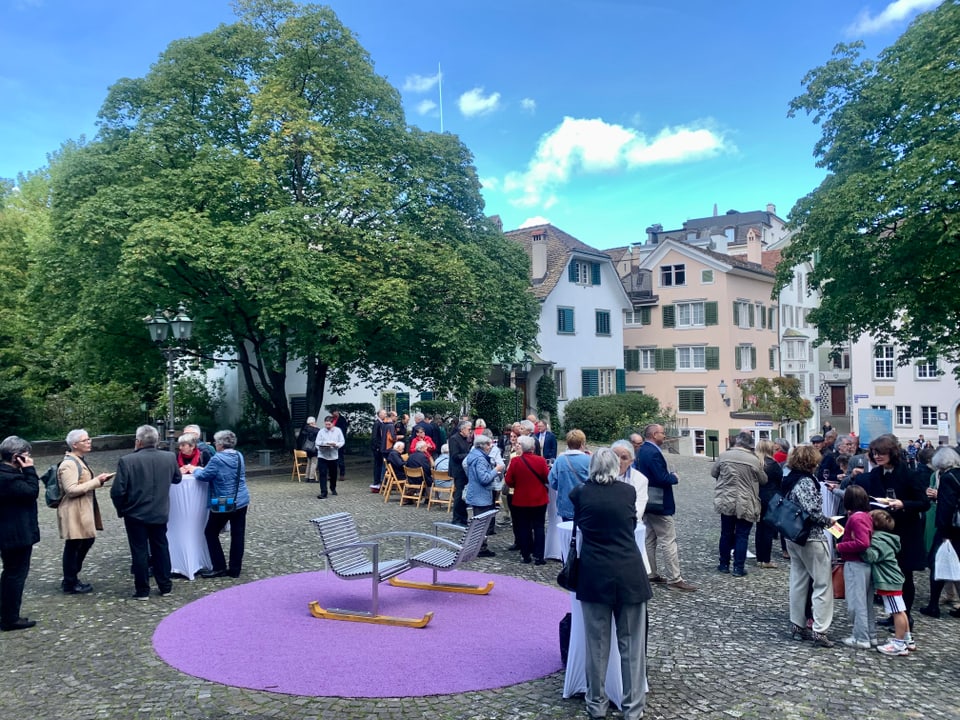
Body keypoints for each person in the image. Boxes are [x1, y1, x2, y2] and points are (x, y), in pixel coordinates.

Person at [570, 448, 651, 720]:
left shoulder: (580, 493)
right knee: (632, 645)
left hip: (594, 573)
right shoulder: (627, 493)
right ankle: (633, 707)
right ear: (617, 468)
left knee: (597, 645)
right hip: (628, 572)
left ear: (591, 467)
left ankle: (596, 704)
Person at [853, 433, 929, 624]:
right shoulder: (875, 474)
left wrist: (903, 504)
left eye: (881, 453)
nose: (877, 456)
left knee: (904, 574)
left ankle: (906, 616)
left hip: (906, 530)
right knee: (887, 574)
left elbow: (924, 503)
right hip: (883, 530)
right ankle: (893, 614)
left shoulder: (910, 475)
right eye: (874, 453)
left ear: (892, 453)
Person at [110, 425, 182, 599]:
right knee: (161, 548)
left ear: (138, 441)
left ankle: (142, 590)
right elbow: (177, 478)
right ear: (157, 440)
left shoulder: (127, 460)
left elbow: (117, 491)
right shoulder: (169, 457)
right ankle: (165, 586)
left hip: (135, 514)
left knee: (139, 551)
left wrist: (122, 509)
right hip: (159, 511)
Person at [782, 443, 834, 646]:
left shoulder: (789, 478)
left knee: (798, 580)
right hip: (810, 536)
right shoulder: (805, 481)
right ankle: (820, 630)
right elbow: (812, 510)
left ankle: (797, 625)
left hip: (792, 535)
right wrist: (829, 521)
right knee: (822, 583)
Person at [634, 423, 696, 592]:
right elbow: (661, 478)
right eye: (662, 433)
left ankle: (650, 572)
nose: (665, 435)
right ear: (654, 434)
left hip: (647, 500)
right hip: (659, 502)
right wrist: (674, 477)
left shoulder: (641, 450)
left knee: (649, 539)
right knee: (668, 540)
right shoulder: (653, 452)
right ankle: (675, 578)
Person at [189, 430, 249, 579]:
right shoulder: (239, 456)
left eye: (216, 442)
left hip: (224, 501)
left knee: (210, 532)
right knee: (238, 534)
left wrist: (194, 469)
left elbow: (204, 476)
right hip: (241, 499)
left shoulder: (218, 459)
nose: (215, 445)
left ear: (221, 444)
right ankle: (235, 569)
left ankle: (219, 566)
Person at [58, 429, 112, 594]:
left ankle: (72, 578)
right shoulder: (69, 463)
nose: (89, 442)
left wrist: (98, 481)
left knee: (85, 541)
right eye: (85, 440)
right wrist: (96, 481)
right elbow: (71, 489)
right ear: (75, 444)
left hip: (83, 509)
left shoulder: (78, 460)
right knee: (74, 545)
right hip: (74, 510)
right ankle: (70, 581)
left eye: (89, 439)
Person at [712, 431, 767, 577]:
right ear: (749, 445)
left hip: (727, 499)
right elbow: (763, 480)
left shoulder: (724, 455)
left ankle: (723, 564)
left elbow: (714, 473)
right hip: (746, 501)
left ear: (737, 442)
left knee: (726, 533)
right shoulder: (754, 460)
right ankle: (738, 567)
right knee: (742, 535)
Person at [0, 436, 40, 631]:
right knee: (15, 575)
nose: (30, 458)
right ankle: (10, 617)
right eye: (26, 455)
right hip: (16, 534)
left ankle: (7, 613)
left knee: (10, 573)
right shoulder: (10, 479)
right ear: (17, 457)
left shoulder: (5, 473)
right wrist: (29, 470)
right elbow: (31, 492)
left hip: (9, 532)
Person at [864, 510, 915, 655]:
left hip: (888, 581)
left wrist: (861, 546)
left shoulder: (878, 541)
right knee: (901, 610)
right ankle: (907, 639)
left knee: (896, 612)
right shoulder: (888, 539)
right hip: (894, 579)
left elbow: (871, 556)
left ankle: (898, 644)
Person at [919, 446, 960, 618]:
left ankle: (933, 605)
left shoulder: (948, 478)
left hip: (951, 529)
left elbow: (946, 507)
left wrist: (944, 533)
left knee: (937, 563)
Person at [836, 485, 877, 649]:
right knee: (866, 602)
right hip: (864, 564)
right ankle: (870, 635)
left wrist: (840, 547)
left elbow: (862, 543)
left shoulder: (856, 518)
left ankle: (861, 637)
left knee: (856, 602)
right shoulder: (866, 516)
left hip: (855, 563)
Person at [503, 435, 549, 564]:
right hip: (539, 499)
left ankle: (525, 555)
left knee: (524, 527)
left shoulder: (516, 461)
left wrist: (517, 485)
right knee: (539, 527)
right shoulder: (541, 461)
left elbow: (508, 480)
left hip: (521, 499)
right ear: (533, 448)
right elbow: (547, 478)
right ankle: (539, 556)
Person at [463, 434, 501, 557]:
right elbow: (484, 479)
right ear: (483, 446)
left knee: (479, 522)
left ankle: (478, 547)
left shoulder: (473, 455)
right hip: (481, 496)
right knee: (481, 523)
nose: (491, 446)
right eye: (489, 444)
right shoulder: (480, 459)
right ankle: (480, 548)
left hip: (476, 493)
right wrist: (496, 470)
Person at [549, 429, 590, 522]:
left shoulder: (560, 460)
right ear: (582, 444)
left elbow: (552, 482)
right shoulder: (588, 460)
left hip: (565, 504)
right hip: (585, 504)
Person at [755, 439, 783, 569]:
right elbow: (779, 481)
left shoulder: (756, 463)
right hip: (771, 498)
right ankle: (766, 559)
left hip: (757, 497)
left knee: (759, 528)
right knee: (767, 530)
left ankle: (760, 557)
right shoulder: (773, 464)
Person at [612, 440, 649, 520]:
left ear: (631, 461)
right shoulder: (599, 475)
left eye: (624, 458)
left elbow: (639, 509)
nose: (618, 461)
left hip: (628, 524)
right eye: (614, 456)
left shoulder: (640, 479)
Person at [449, 420, 473, 526]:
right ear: (462, 429)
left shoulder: (466, 439)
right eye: (469, 429)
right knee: (459, 494)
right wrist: (468, 455)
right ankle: (457, 518)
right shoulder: (454, 439)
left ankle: (463, 518)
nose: (470, 431)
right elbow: (455, 456)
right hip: (458, 470)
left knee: (464, 494)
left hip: (464, 470)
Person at [314, 416, 345, 499]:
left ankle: (333, 487)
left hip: (333, 456)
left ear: (333, 423)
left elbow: (342, 441)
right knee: (323, 474)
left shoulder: (338, 431)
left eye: (329, 424)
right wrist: (323, 445)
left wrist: (336, 445)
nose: (327, 426)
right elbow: (317, 442)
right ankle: (324, 492)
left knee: (333, 474)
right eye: (326, 424)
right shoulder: (321, 431)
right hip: (322, 455)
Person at [297, 417, 321, 484]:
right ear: (313, 422)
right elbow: (319, 432)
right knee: (314, 462)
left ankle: (307, 477)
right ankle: (311, 478)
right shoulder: (315, 430)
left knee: (309, 462)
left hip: (306, 448)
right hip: (313, 448)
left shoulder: (304, 429)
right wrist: (315, 427)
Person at [369, 409, 387, 492]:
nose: (385, 415)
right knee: (378, 465)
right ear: (380, 415)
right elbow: (375, 437)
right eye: (384, 414)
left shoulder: (381, 423)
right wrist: (378, 447)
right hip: (378, 449)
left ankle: (378, 481)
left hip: (379, 447)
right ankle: (376, 482)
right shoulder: (377, 424)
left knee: (379, 465)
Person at [330, 409, 349, 478]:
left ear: (337, 412)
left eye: (334, 412)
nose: (333, 414)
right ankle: (331, 474)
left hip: (339, 441)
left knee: (340, 458)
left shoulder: (342, 420)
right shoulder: (331, 419)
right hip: (332, 441)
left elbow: (343, 430)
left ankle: (342, 474)